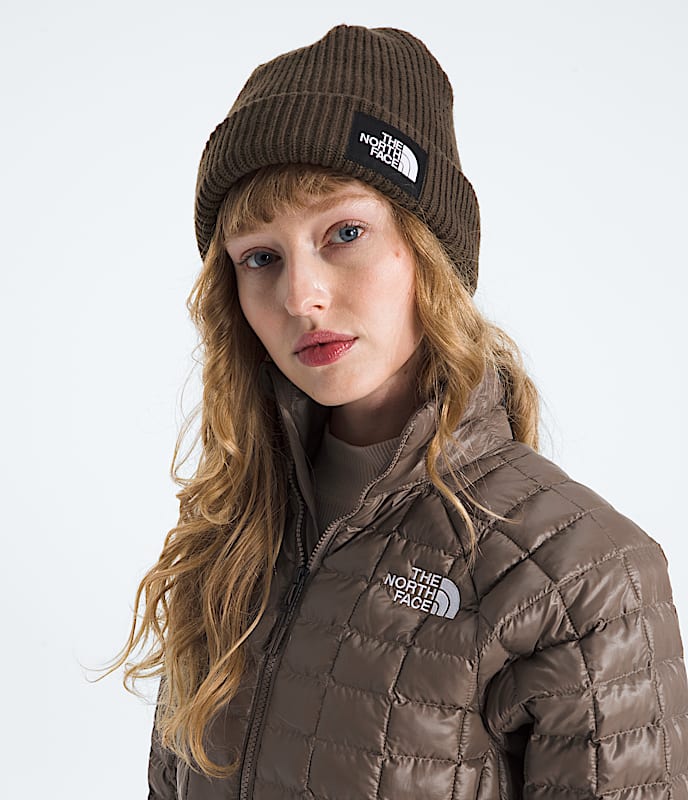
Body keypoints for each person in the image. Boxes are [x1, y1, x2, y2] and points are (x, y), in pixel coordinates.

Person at [118, 24, 688, 799]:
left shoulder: (582, 578)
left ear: (429, 250)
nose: (300, 296)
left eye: (345, 233)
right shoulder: (230, 533)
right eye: (261, 257)